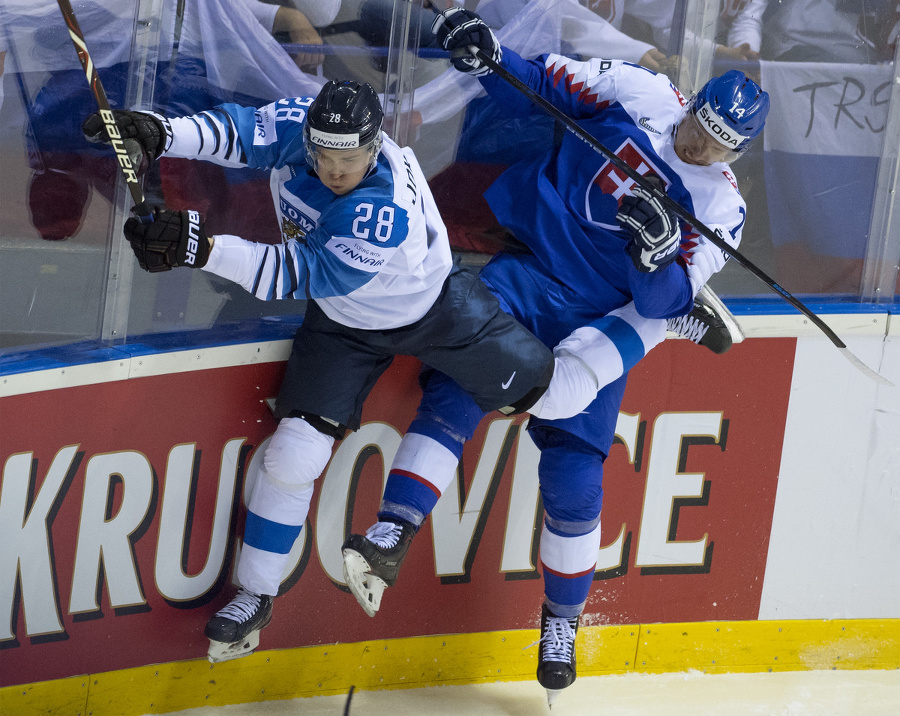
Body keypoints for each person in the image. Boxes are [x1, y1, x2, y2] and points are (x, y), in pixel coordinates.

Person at [83, 77, 680, 662]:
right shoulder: (309, 131)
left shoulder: (381, 212)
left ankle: (670, 314)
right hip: (344, 320)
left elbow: (296, 275)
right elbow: (239, 135)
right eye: (322, 155)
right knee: (294, 453)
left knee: (559, 396)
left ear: (375, 146)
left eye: (350, 158)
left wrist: (200, 249)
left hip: (435, 309)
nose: (334, 171)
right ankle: (255, 593)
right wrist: (162, 132)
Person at [340, 7, 769, 705]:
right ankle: (392, 530)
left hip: (603, 316)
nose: (698, 147)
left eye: (717, 147)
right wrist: (490, 57)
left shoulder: (721, 210)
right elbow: (544, 83)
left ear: (735, 154)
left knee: (575, 477)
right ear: (695, 106)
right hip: (533, 270)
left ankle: (561, 624)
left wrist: (657, 257)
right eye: (700, 129)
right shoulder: (641, 93)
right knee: (457, 383)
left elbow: (661, 301)